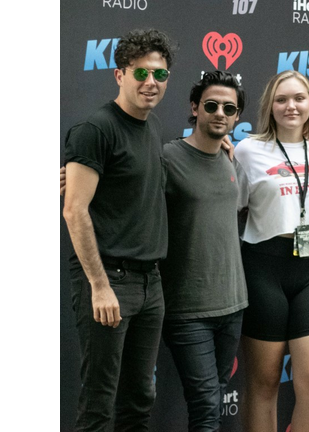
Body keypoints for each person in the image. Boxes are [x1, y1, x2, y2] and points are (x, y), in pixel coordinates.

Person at [62, 28, 174, 431]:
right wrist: (99, 284)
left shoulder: (154, 126)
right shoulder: (96, 130)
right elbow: (74, 211)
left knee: (139, 399)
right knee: (98, 403)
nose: (150, 83)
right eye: (140, 73)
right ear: (119, 75)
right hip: (109, 280)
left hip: (150, 283)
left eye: (159, 75)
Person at [234, 70, 309, 432]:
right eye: (282, 99)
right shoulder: (247, 150)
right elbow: (224, 201)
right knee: (264, 383)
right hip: (264, 268)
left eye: (299, 98)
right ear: (270, 107)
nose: (291, 106)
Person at [160, 71, 248, 431]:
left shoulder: (231, 159)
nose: (220, 113)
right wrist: (81, 176)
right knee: (205, 405)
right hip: (187, 308)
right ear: (194, 108)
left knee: (216, 396)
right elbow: (130, 192)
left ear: (237, 116)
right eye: (211, 105)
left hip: (233, 303)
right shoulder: (168, 157)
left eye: (229, 108)